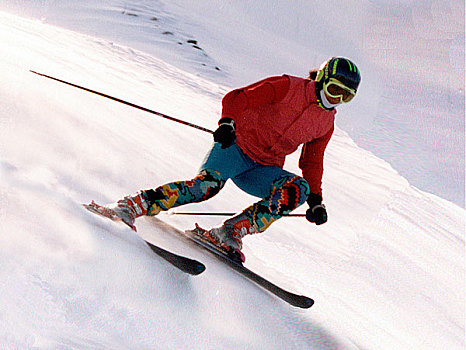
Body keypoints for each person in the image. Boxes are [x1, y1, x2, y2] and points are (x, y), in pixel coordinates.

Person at [106, 57, 361, 261]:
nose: (337, 99)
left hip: (262, 169)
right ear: (322, 80)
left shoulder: (326, 122)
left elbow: (312, 163)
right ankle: (133, 205)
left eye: (346, 96)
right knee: (206, 188)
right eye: (335, 89)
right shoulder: (288, 87)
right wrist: (227, 122)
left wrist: (315, 200)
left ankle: (229, 232)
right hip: (235, 148)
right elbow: (238, 98)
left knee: (298, 190)